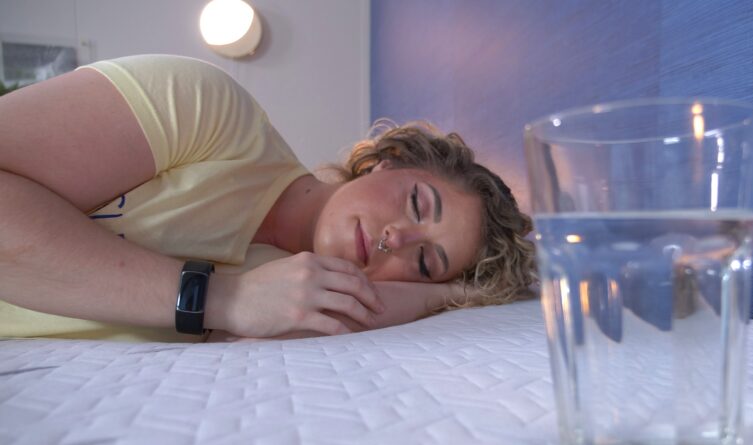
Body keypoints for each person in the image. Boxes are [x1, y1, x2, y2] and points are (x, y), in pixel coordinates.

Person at [0, 54, 535, 342]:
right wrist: (225, 299)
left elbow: (361, 309)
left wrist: (454, 294)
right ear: (386, 161)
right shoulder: (210, 112)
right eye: (417, 204)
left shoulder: (290, 299)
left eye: (424, 262)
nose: (397, 238)